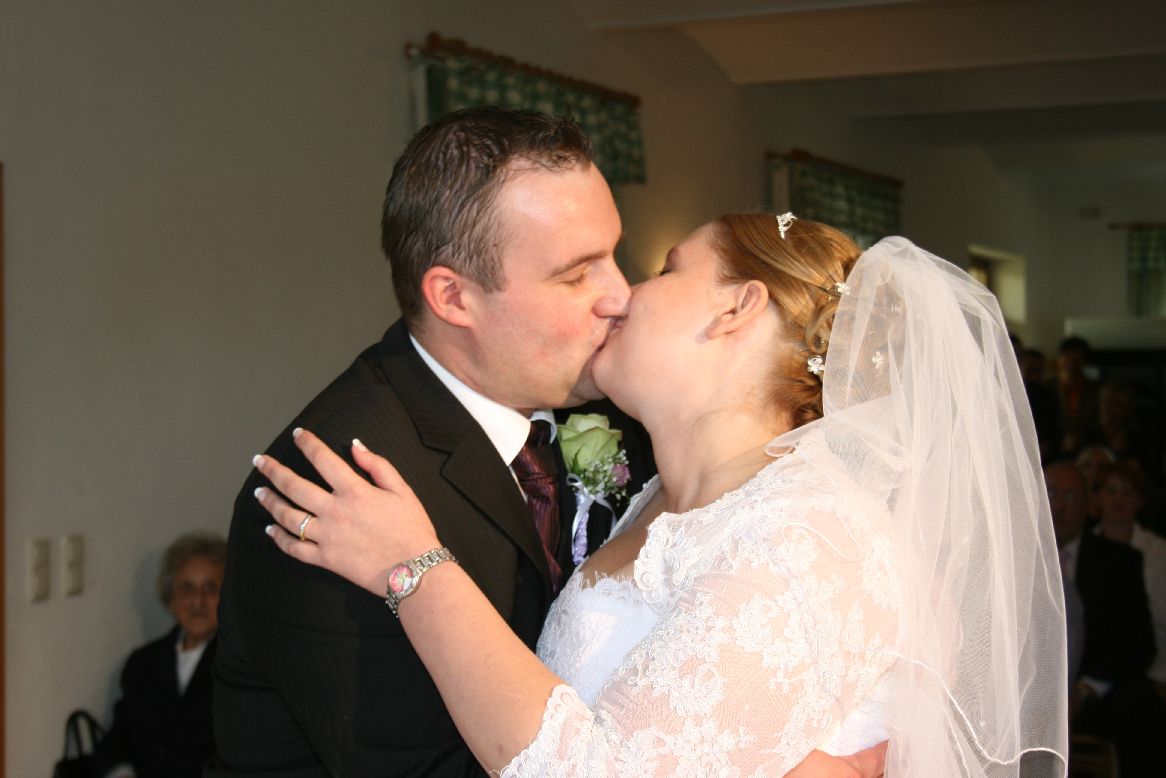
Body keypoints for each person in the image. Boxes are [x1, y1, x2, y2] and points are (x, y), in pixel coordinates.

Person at [254, 215, 1069, 775]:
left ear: (738, 307)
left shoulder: (807, 538)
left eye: (666, 267)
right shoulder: (655, 495)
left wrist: (413, 566)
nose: (618, 296)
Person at [212, 108, 871, 777]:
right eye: (576, 274)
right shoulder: (340, 488)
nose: (619, 295)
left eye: (616, 255)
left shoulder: (649, 419)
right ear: (453, 297)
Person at [1045, 461, 1165, 772]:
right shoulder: (1014, 557)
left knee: (1140, 704)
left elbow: (1139, 644)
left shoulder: (1119, 561)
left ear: (1088, 506)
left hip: (1094, 692)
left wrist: (1084, 689)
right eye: (1051, 493)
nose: (1058, 506)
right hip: (1032, 691)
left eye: (1071, 497)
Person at [91, 531, 225, 778]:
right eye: (187, 589)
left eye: (211, 588)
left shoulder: (240, 667)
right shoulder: (143, 663)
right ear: (171, 598)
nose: (198, 601)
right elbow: (117, 741)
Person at [1094, 459, 1166, 686]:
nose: (1119, 500)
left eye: (1128, 492)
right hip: (1097, 668)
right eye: (1111, 491)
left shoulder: (1159, 551)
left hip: (1155, 671)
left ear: (1140, 500)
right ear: (1098, 497)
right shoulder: (1084, 548)